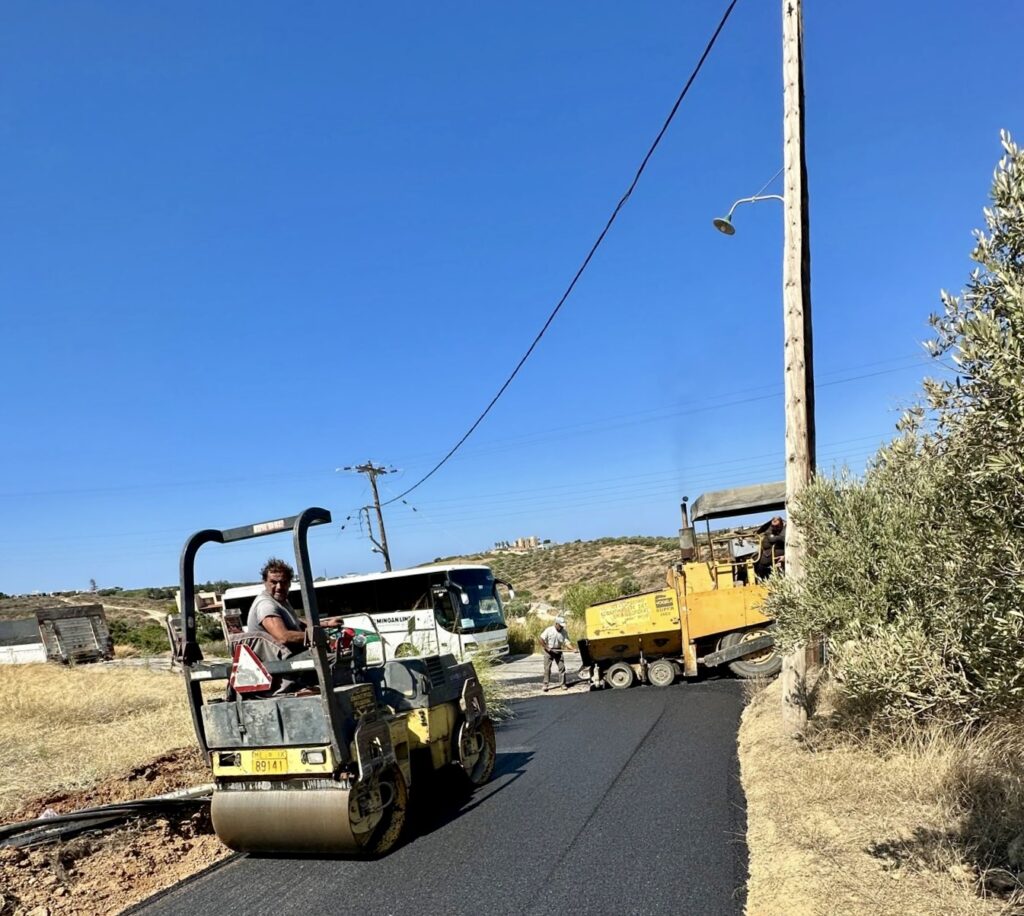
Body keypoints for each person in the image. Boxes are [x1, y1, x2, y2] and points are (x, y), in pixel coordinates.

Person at [538, 616, 574, 692]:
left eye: (562, 626)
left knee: (562, 668)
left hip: (558, 651)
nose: (561, 627)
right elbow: (541, 639)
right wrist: (546, 647)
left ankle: (563, 684)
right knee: (547, 669)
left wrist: (573, 649)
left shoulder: (564, 632)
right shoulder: (549, 630)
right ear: (556, 624)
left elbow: (567, 643)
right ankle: (545, 684)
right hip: (549, 651)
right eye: (560, 626)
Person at [754, 516, 786, 581]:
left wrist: (780, 537)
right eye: (773, 526)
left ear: (781, 524)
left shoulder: (785, 528)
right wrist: (780, 537)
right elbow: (772, 539)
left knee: (763, 562)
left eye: (776, 526)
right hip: (767, 552)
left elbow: (784, 538)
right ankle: (762, 578)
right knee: (756, 561)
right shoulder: (769, 529)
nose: (774, 528)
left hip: (777, 551)